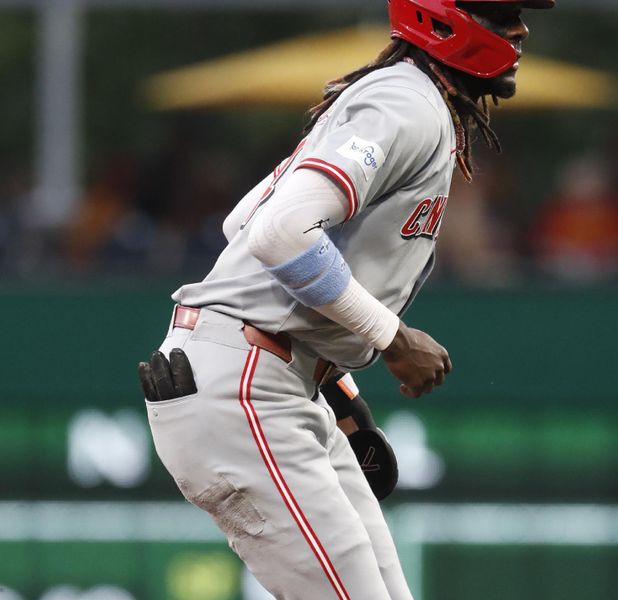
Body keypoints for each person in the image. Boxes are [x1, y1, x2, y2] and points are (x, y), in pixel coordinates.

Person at [138, 1, 555, 598]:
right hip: (246, 380)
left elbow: (243, 222)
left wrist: (340, 393)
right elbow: (279, 233)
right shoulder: (405, 103)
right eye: (499, 11)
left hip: (275, 377)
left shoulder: (409, 99)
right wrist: (392, 336)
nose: (518, 28)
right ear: (442, 16)